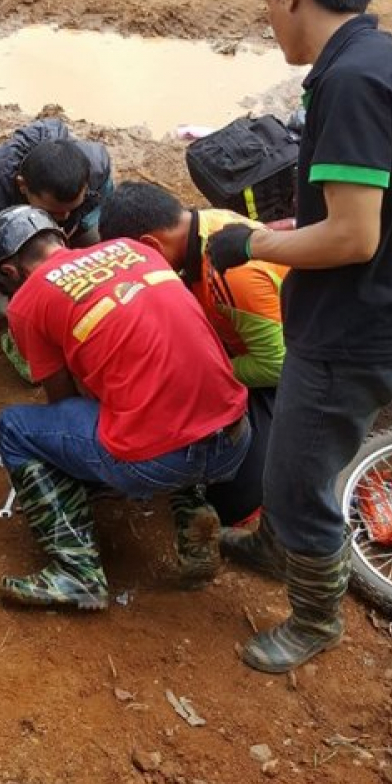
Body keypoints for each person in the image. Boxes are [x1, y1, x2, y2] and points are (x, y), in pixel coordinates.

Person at [205, 0, 392, 674]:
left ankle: (313, 619)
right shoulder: (373, 59)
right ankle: (276, 545)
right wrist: (300, 222)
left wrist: (253, 242)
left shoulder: (355, 80)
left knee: (299, 476)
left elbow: (353, 237)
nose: (270, 23)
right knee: (295, 453)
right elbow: (358, 210)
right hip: (362, 306)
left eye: (268, 5)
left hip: (354, 323)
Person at [0, 206, 249, 610]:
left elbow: (63, 403)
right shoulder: (131, 249)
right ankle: (190, 505)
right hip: (235, 437)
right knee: (159, 395)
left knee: (16, 428)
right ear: (59, 239)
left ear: (8, 271)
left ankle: (77, 572)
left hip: (158, 459)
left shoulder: (26, 302)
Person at [98, 180, 288, 527]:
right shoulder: (205, 225)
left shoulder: (230, 274)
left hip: (294, 364)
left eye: (136, 260)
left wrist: (204, 372)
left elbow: (276, 365)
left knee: (233, 499)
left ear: (150, 244)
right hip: (252, 341)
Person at [0, 117, 113, 341]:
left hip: (48, 220)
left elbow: (104, 221)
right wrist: (34, 299)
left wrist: (72, 229)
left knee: (105, 250)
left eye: (71, 208)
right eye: (53, 212)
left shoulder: (97, 168)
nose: (64, 217)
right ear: (23, 186)